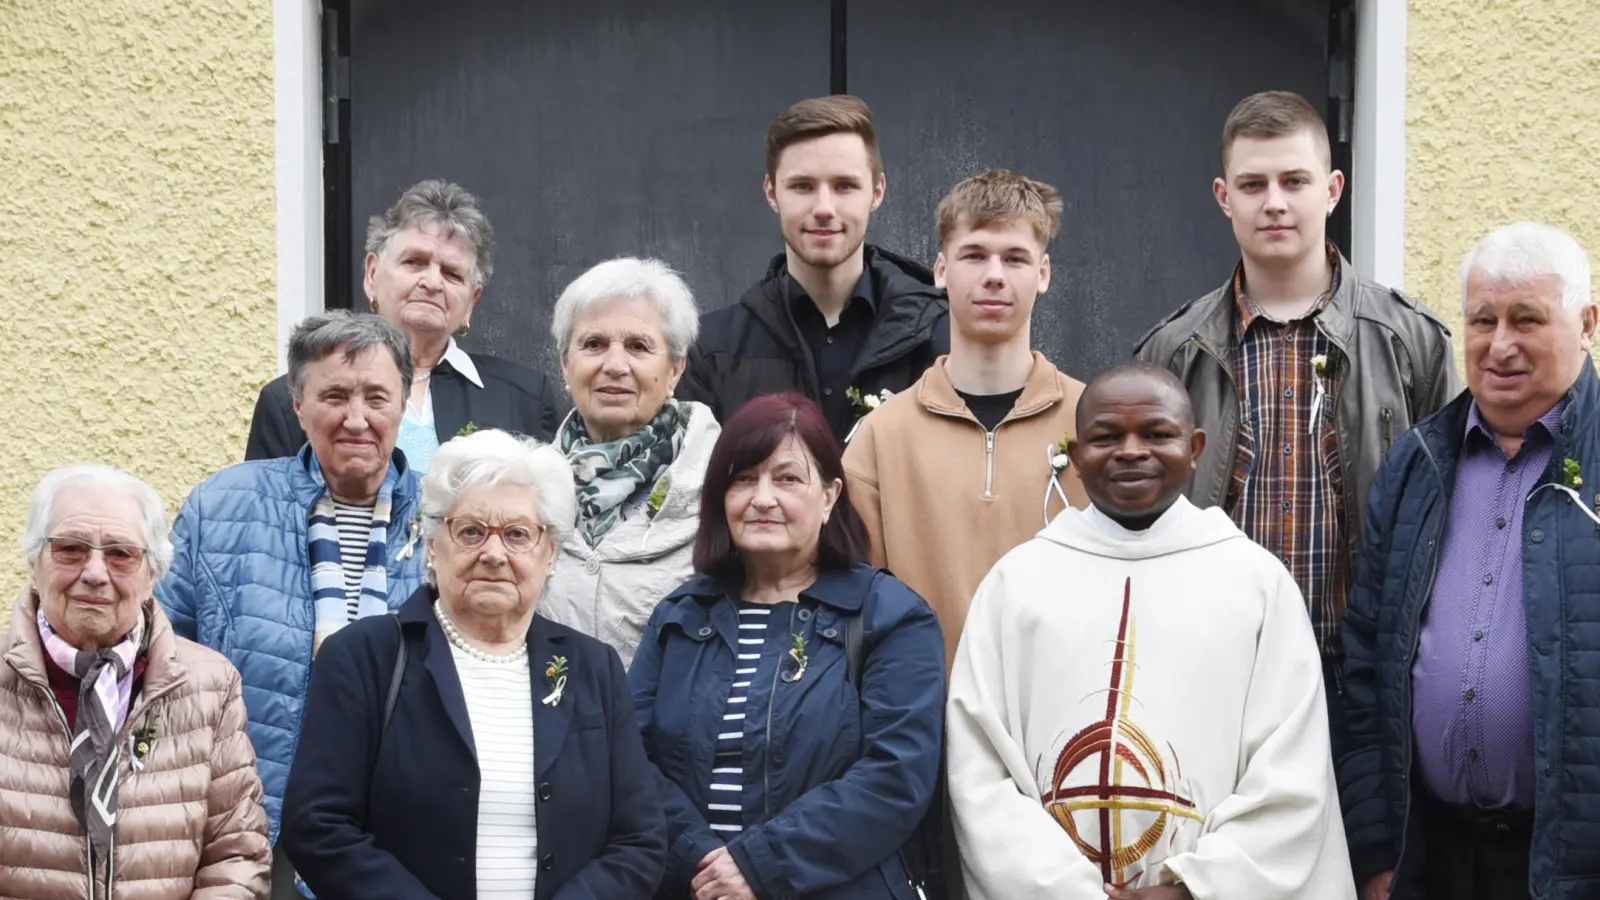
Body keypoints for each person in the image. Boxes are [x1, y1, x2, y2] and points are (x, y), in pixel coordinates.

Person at [948, 363, 1355, 900]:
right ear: (1073, 451)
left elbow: (1291, 774)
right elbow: (980, 772)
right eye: (1106, 436)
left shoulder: (1254, 584)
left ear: (1196, 446)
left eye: (1158, 434)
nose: (1131, 451)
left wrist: (1195, 888)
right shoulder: (1017, 585)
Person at [1133, 91, 1458, 704]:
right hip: (1213, 677)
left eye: (1295, 181)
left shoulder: (1412, 343)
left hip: (1365, 682)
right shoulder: (1171, 352)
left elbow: (1452, 517)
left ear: (1332, 190)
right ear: (1223, 198)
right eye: (1253, 184)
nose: (1275, 203)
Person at [281, 429, 665, 899]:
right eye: (470, 531)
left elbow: (639, 840)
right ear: (433, 545)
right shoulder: (364, 657)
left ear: (550, 556)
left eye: (519, 535)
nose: (494, 553)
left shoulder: (592, 667)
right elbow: (317, 826)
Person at [1339, 223, 1600, 900]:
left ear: (1586, 323)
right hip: (1432, 858)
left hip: (1571, 866)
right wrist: (1377, 853)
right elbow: (1366, 664)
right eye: (1483, 320)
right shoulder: (1416, 464)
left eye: (1527, 320)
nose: (1500, 344)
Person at [632, 393, 945, 900]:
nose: (762, 498)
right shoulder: (681, 617)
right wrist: (706, 866)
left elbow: (896, 776)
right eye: (743, 478)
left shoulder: (890, 615)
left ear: (829, 495)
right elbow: (631, 763)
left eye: (787, 478)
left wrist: (760, 866)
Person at [159, 311, 427, 863]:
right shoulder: (222, 505)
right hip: (251, 821)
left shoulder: (451, 517)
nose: (357, 418)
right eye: (334, 396)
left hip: (405, 828)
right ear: (298, 407)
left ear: (403, 405)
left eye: (377, 398)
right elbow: (160, 656)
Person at [845, 169, 1088, 669]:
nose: (994, 274)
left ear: (1043, 274)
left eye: (1015, 258)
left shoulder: (1094, 424)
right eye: (974, 255)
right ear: (940, 270)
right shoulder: (881, 437)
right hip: (924, 728)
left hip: (1065, 726)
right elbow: (852, 608)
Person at [0, 464, 270, 899]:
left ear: (153, 575)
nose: (94, 572)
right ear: (34, 563)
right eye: (70, 548)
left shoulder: (210, 686)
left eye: (121, 554)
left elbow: (236, 856)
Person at [677, 95, 949, 445]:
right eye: (802, 186)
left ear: (877, 192)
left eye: (844, 186)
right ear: (771, 193)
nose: (824, 208)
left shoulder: (940, 338)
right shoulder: (711, 351)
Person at [245, 179, 564, 469]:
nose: (432, 282)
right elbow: (266, 518)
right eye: (414, 262)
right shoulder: (289, 400)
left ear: (471, 301)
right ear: (371, 275)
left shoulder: (524, 399)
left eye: (452, 273)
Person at [537, 258, 721, 668]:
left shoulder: (726, 488)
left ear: (675, 368)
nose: (615, 365)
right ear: (566, 364)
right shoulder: (526, 489)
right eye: (593, 344)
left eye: (638, 346)